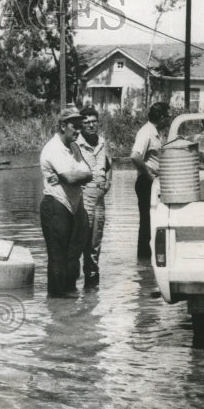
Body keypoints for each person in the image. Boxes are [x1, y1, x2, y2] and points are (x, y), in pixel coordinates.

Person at [39, 105, 93, 297]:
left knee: (73, 256)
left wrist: (70, 176)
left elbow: (89, 174)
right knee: (57, 257)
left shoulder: (74, 147)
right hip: (56, 205)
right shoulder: (52, 148)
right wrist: (70, 176)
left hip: (73, 204)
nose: (79, 131)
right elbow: (71, 178)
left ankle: (70, 300)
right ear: (63, 126)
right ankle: (56, 302)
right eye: (75, 126)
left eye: (80, 126)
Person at [76, 105, 112, 287]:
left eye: (94, 122)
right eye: (87, 122)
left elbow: (108, 165)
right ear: (81, 125)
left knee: (96, 239)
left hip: (99, 196)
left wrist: (108, 181)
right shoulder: (75, 144)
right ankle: (73, 282)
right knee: (81, 237)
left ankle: (92, 281)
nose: (91, 125)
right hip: (82, 196)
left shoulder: (102, 142)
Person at [130, 101, 171, 259]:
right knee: (147, 223)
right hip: (146, 182)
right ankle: (144, 259)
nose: (168, 120)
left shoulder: (155, 132)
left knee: (153, 220)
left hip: (153, 182)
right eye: (167, 117)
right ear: (160, 117)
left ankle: (147, 263)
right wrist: (148, 173)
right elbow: (135, 156)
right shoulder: (146, 132)